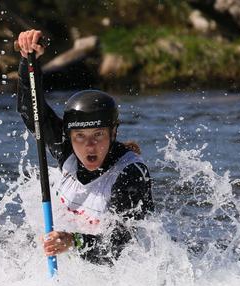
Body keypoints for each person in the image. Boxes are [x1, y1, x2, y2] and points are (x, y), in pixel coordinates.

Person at [16, 30, 154, 265]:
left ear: (113, 132)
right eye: (80, 136)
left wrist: (73, 242)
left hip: (120, 277)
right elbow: (31, 112)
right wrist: (29, 61)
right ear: (69, 136)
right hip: (67, 252)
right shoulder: (67, 150)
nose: (90, 146)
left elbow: (122, 247)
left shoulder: (130, 174)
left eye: (98, 135)